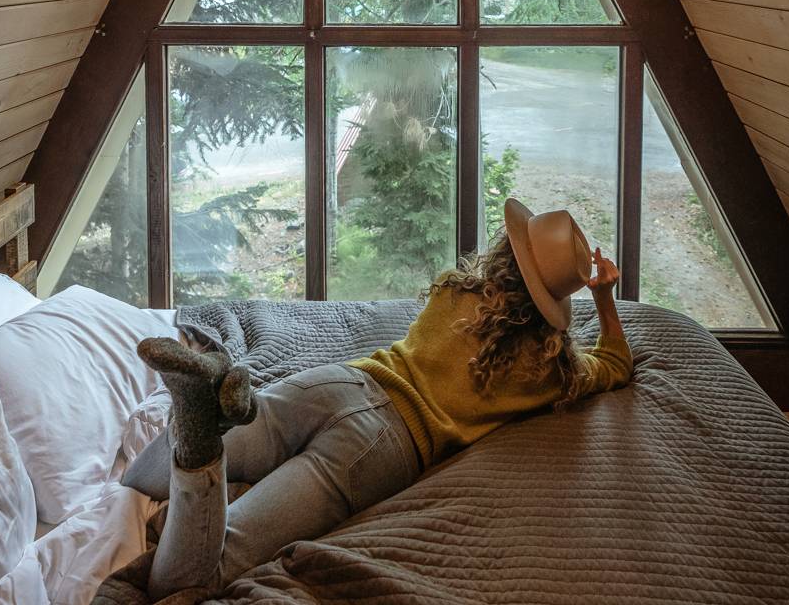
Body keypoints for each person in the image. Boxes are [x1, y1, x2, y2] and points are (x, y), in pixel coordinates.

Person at [124, 198, 634, 601]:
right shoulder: (548, 370)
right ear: (558, 299)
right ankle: (202, 460)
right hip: (380, 449)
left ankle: (199, 418)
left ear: (510, 252)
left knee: (143, 477)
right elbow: (615, 363)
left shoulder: (455, 292)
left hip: (338, 383)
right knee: (199, 576)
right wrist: (605, 297)